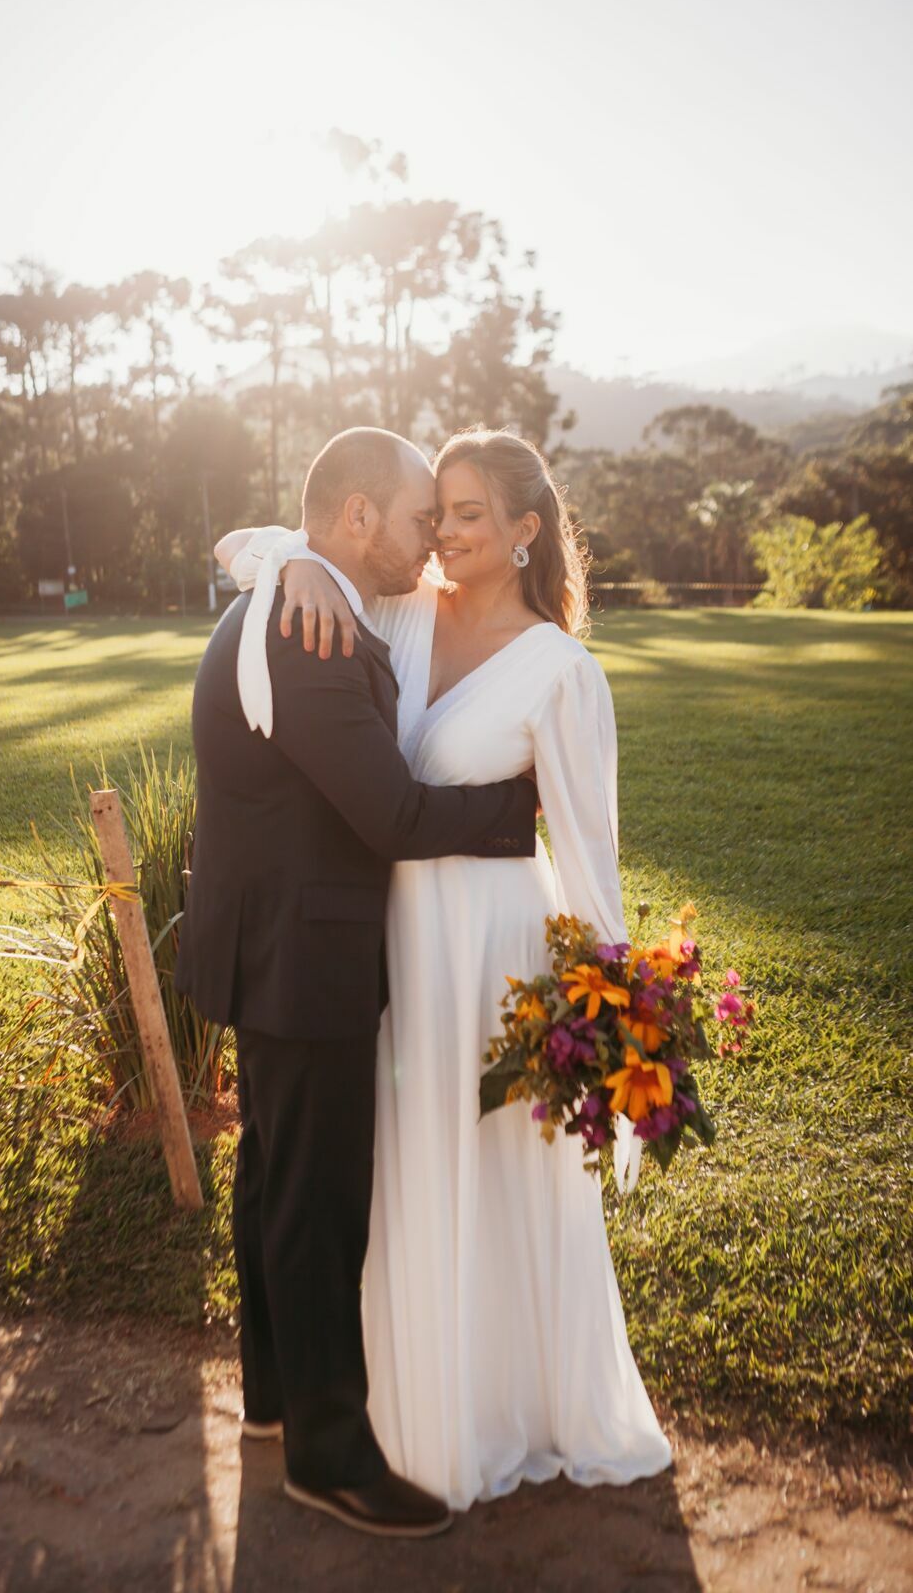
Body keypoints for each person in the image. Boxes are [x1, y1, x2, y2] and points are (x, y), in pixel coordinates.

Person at [219, 425, 674, 1513]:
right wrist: (286, 558)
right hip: (386, 949)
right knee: (384, 1173)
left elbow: (588, 857)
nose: (445, 535)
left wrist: (614, 1016)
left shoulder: (562, 672)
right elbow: (250, 543)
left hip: (492, 954)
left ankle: (499, 1400)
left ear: (524, 532)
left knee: (486, 1174)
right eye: (438, 513)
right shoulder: (388, 614)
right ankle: (387, 1403)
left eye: (468, 514)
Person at [174, 427, 543, 1538]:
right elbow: (386, 813)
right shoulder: (312, 627)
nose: (432, 538)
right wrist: (513, 812)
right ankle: (329, 1456)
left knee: (272, 1174)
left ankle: (276, 1399)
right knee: (316, 1201)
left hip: (268, 939)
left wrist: (278, 550)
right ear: (354, 522)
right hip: (305, 950)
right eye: (419, 517)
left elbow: (259, 539)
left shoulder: (298, 591)